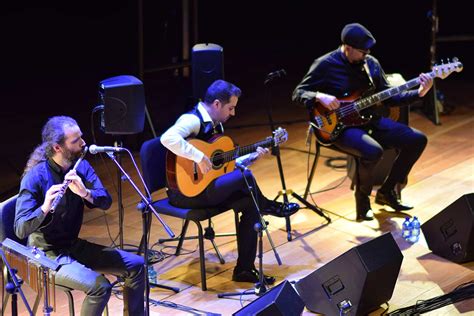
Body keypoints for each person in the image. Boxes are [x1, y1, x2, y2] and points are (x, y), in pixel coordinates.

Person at [161, 79, 299, 284]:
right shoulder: (193, 120)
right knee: (247, 179)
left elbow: (224, 165)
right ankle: (270, 206)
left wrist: (251, 157)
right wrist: (198, 157)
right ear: (216, 104)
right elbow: (168, 138)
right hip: (185, 194)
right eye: (230, 108)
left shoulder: (217, 127)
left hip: (208, 189)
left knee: (249, 203)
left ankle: (244, 269)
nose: (233, 113)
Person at [292, 23, 433, 221]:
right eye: (362, 51)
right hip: (339, 127)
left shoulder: (371, 63)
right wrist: (318, 96)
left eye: (368, 51)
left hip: (369, 120)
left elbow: (389, 98)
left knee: (417, 139)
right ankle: (363, 203)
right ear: (347, 48)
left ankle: (387, 191)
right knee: (372, 151)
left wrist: (419, 93)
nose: (366, 55)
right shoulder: (325, 64)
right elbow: (298, 93)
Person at [14, 116, 145, 316]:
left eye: (81, 137)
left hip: (73, 246)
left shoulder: (81, 166)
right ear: (58, 147)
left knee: (136, 266)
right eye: (76, 141)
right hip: (44, 254)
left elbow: (106, 200)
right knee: (100, 287)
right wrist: (44, 208)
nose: (83, 143)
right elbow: (20, 228)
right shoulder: (35, 178)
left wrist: (86, 193)